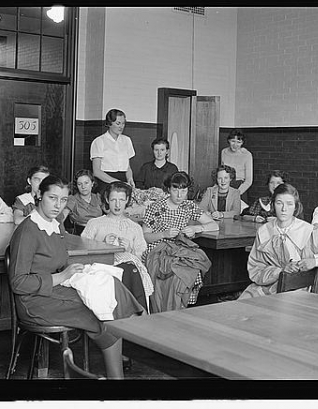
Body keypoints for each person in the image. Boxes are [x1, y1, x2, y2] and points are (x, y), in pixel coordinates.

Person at [8, 175, 145, 379]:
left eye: (63, 200)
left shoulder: (55, 226)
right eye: (52, 198)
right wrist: (61, 276)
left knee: (108, 288)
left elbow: (59, 261)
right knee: (101, 314)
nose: (58, 205)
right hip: (34, 302)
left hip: (54, 290)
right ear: (39, 196)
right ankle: (119, 378)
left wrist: (83, 271)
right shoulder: (28, 230)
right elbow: (18, 283)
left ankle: (135, 332)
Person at [142, 171, 218, 311]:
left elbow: (214, 225)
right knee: (173, 276)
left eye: (183, 190)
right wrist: (163, 234)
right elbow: (145, 236)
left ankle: (179, 308)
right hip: (157, 250)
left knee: (188, 274)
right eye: (175, 190)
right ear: (169, 189)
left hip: (180, 250)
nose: (179, 195)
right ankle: (167, 310)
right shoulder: (156, 207)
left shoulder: (189, 206)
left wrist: (197, 229)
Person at [238, 183, 318, 299]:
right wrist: (280, 271)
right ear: (273, 205)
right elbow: (255, 268)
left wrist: (315, 261)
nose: (284, 209)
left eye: (289, 204)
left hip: (297, 289)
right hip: (268, 285)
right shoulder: (264, 231)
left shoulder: (308, 231)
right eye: (279, 203)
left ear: (296, 207)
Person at [81, 181, 152, 310]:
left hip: (129, 272)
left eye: (121, 200)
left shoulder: (134, 227)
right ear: (107, 199)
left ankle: (139, 314)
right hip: (102, 270)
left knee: (132, 269)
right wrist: (102, 244)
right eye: (113, 200)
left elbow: (142, 257)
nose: (117, 204)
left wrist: (130, 249)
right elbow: (82, 251)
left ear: (127, 201)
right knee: (129, 271)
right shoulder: (95, 223)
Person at [90, 108, 136, 196]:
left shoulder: (127, 140)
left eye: (123, 123)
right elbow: (97, 171)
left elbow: (128, 167)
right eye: (118, 123)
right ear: (109, 123)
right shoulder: (99, 141)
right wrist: (118, 183)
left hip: (123, 181)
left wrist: (130, 179)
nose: (121, 126)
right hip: (105, 182)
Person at [60, 169, 103, 235]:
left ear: (92, 183)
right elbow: (61, 218)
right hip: (79, 234)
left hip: (99, 233)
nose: (83, 187)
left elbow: (111, 214)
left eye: (86, 183)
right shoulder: (72, 199)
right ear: (76, 186)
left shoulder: (98, 197)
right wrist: (62, 232)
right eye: (80, 184)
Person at [220, 129, 253, 202]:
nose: (235, 145)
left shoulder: (247, 155)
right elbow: (221, 173)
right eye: (233, 141)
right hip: (225, 186)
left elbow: (248, 181)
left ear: (242, 143)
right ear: (228, 140)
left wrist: (236, 194)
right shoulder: (224, 152)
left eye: (238, 142)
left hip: (240, 188)